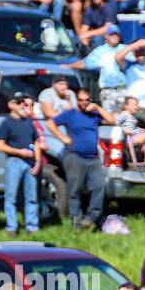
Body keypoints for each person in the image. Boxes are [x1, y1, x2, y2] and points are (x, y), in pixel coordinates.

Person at [45, 89, 115, 230]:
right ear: (77, 100)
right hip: (74, 156)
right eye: (81, 100)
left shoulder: (94, 115)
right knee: (74, 189)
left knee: (99, 186)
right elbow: (50, 123)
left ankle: (91, 218)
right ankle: (76, 221)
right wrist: (63, 137)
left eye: (86, 100)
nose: (84, 103)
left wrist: (98, 108)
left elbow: (112, 120)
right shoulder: (70, 114)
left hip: (93, 158)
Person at [0, 93, 40, 234]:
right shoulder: (6, 122)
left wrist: (37, 161)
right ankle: (12, 228)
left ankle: (32, 227)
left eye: (23, 103)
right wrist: (19, 152)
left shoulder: (29, 121)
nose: (22, 106)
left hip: (30, 163)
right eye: (19, 103)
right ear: (11, 105)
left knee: (31, 197)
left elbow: (36, 142)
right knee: (10, 197)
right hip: (14, 162)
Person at [76, 27, 141, 112]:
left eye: (116, 34)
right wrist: (68, 66)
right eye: (112, 34)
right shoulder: (100, 51)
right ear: (106, 36)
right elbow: (85, 63)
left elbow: (135, 61)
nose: (115, 36)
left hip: (123, 90)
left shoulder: (125, 49)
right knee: (110, 119)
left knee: (124, 117)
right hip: (107, 92)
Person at [37, 75, 75, 160]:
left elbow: (74, 113)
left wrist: (69, 100)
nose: (64, 87)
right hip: (49, 129)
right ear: (54, 85)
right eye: (60, 84)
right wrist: (67, 116)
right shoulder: (47, 93)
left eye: (65, 84)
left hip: (68, 130)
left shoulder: (70, 94)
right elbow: (48, 113)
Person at [114, 96, 145, 168]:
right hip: (128, 139)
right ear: (126, 106)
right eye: (133, 105)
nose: (136, 107)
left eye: (136, 105)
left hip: (134, 136)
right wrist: (124, 130)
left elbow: (134, 127)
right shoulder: (124, 114)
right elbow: (115, 124)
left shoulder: (133, 116)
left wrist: (141, 130)